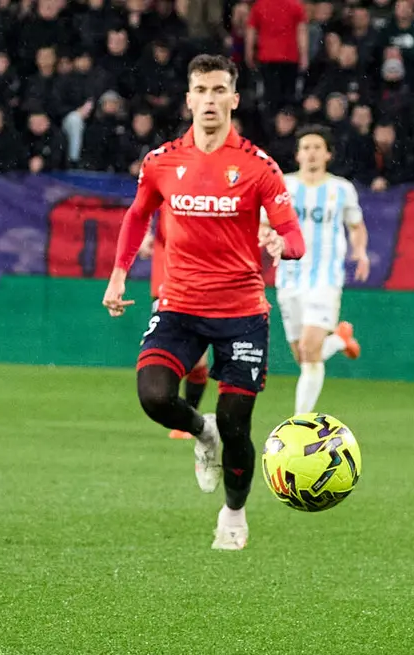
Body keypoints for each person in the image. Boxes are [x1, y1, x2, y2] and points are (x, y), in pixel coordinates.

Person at [101, 54, 306, 551]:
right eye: (201, 90)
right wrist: (118, 275)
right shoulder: (161, 162)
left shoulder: (259, 167)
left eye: (219, 90)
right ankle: (200, 430)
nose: (210, 100)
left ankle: (233, 516)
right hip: (179, 305)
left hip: (241, 312)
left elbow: (293, 235)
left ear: (234, 100)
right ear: (188, 98)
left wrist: (284, 246)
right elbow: (137, 216)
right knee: (153, 395)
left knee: (238, 424)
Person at [261, 125, 367, 416]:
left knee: (309, 350)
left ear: (328, 154)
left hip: (325, 278)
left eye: (317, 147)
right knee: (303, 356)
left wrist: (359, 252)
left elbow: (356, 226)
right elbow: (263, 224)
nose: (311, 153)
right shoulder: (282, 185)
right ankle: (339, 339)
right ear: (297, 154)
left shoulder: (341, 189)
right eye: (306, 147)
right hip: (290, 278)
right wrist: (266, 237)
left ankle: (299, 422)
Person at [139, 219, 210, 439]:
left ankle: (189, 416)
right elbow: (142, 209)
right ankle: (185, 420)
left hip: (200, 281)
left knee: (198, 362)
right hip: (166, 283)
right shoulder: (162, 188)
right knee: (165, 356)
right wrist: (145, 234)